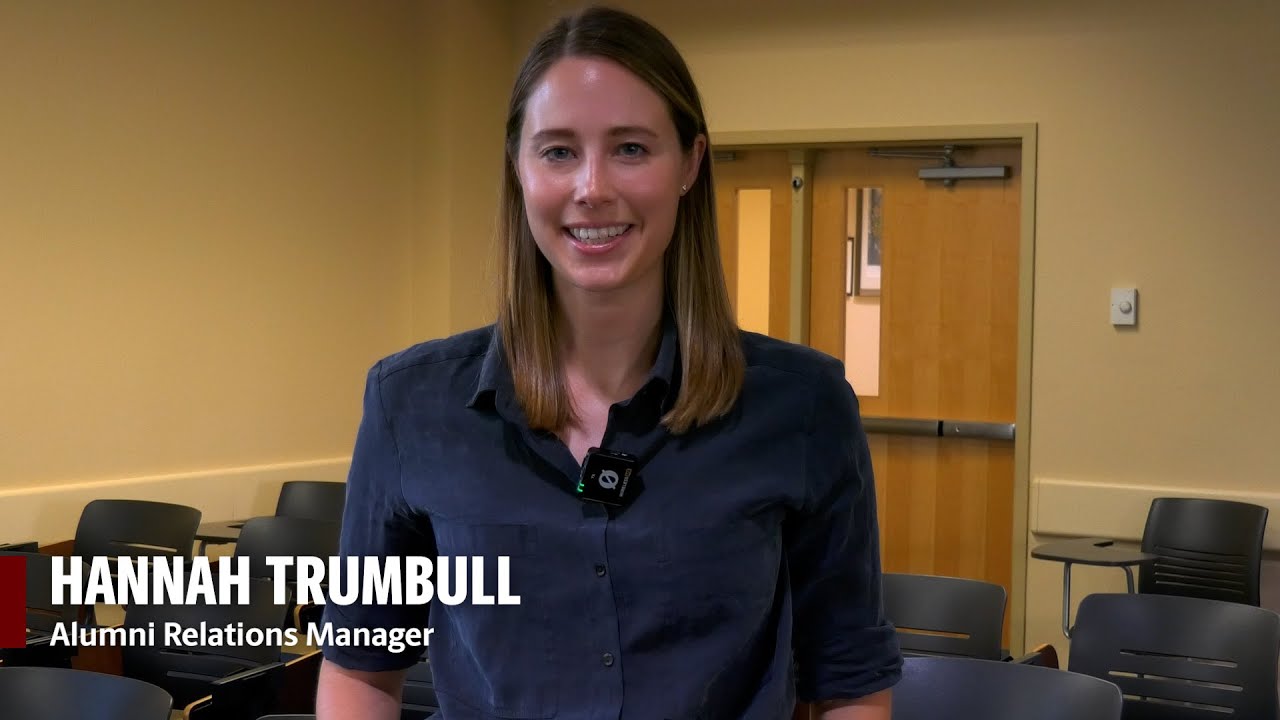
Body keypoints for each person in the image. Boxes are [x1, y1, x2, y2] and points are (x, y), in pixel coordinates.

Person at [315, 6, 901, 719]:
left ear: (689, 163)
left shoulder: (803, 406)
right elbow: (360, 669)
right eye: (558, 151)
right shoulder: (411, 405)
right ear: (519, 169)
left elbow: (850, 684)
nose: (592, 186)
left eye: (630, 148)